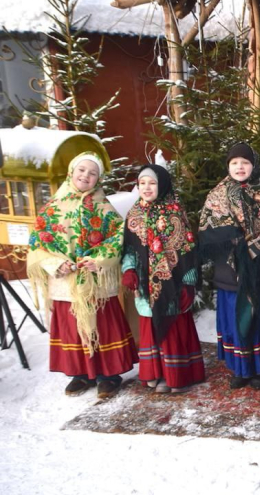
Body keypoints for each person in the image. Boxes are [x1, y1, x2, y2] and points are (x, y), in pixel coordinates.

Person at [27, 152, 137, 398]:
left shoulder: (103, 207)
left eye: (92, 173)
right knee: (72, 326)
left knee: (103, 324)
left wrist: (99, 260)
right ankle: (81, 373)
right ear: (71, 172)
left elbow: (118, 238)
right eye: (82, 170)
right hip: (65, 281)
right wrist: (56, 264)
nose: (86, 175)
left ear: (98, 179)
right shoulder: (51, 208)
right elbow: (37, 244)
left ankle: (109, 374)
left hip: (93, 280)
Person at [199, 143, 260, 390]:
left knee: (259, 317)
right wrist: (234, 242)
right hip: (231, 271)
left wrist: (258, 246)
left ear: (253, 165)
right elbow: (208, 227)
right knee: (236, 319)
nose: (240, 167)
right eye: (234, 163)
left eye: (245, 162)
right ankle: (240, 369)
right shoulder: (217, 194)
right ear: (228, 166)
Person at [122, 164, 204, 393]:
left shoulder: (174, 211)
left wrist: (189, 282)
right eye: (142, 183)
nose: (147, 188)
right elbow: (129, 248)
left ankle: (175, 375)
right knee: (150, 324)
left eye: (152, 183)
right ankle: (154, 372)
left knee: (172, 324)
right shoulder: (134, 214)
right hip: (145, 283)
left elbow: (188, 249)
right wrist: (129, 270)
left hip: (173, 283)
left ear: (163, 185)